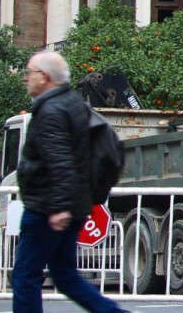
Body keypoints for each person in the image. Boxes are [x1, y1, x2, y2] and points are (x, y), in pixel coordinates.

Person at [13, 51, 126, 313]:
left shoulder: (51, 110)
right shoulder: (73, 103)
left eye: (29, 73)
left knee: (25, 275)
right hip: (71, 203)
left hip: (47, 207)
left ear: (44, 77)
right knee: (64, 275)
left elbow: (60, 160)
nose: (26, 78)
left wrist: (59, 207)